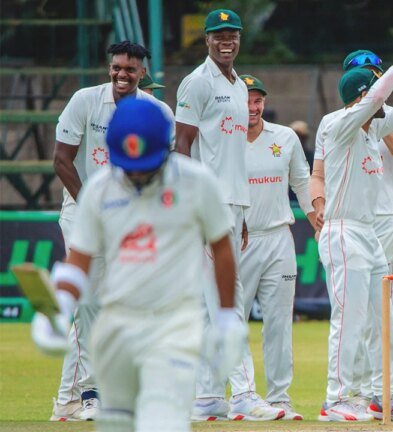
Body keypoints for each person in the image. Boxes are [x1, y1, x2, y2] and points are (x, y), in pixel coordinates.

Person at [33, 98, 247, 431]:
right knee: (117, 422)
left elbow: (222, 249)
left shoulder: (197, 182)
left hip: (174, 322)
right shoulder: (100, 189)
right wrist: (59, 306)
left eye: (145, 164)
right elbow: (78, 259)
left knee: (163, 419)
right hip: (117, 322)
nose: (136, 173)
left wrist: (225, 319)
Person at [51, 40, 174, 422]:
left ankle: (67, 401)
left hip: (131, 220)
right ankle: (91, 392)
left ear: (142, 73)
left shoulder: (157, 111)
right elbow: (61, 160)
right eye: (117, 68)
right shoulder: (85, 100)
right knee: (89, 304)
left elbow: (164, 169)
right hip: (81, 213)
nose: (122, 75)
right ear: (110, 68)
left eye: (130, 70)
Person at [174, 9, 284, 421]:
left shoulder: (239, 85)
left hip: (235, 206)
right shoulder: (197, 83)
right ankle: (242, 393)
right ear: (206, 40)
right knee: (227, 298)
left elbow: (233, 157)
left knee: (208, 305)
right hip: (208, 205)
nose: (226, 41)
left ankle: (205, 397)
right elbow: (181, 145)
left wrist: (241, 216)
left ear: (239, 39)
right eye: (218, 35)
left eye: (232, 35)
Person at [313, 19, 393, 422]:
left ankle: (379, 392)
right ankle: (335, 399)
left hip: (369, 235)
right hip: (342, 231)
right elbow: (379, 96)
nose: (379, 107)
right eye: (370, 98)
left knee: (381, 316)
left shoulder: (372, 131)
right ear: (360, 99)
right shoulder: (338, 125)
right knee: (349, 317)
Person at [237, 74, 316, 420]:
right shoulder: (221, 140)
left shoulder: (284, 138)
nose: (252, 108)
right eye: (246, 100)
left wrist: (315, 218)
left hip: (278, 238)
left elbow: (301, 180)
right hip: (237, 241)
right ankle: (235, 395)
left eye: (257, 101)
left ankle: (280, 398)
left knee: (280, 323)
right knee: (230, 321)